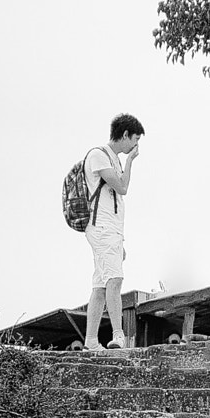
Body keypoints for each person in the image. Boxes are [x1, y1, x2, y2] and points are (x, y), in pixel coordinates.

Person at [83, 115, 144, 351]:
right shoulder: (99, 155)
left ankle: (90, 341)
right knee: (115, 279)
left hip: (111, 230)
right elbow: (122, 188)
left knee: (100, 285)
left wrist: (121, 241)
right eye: (135, 139)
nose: (136, 146)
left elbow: (118, 195)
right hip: (102, 227)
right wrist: (130, 162)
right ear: (125, 134)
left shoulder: (112, 160)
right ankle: (118, 335)